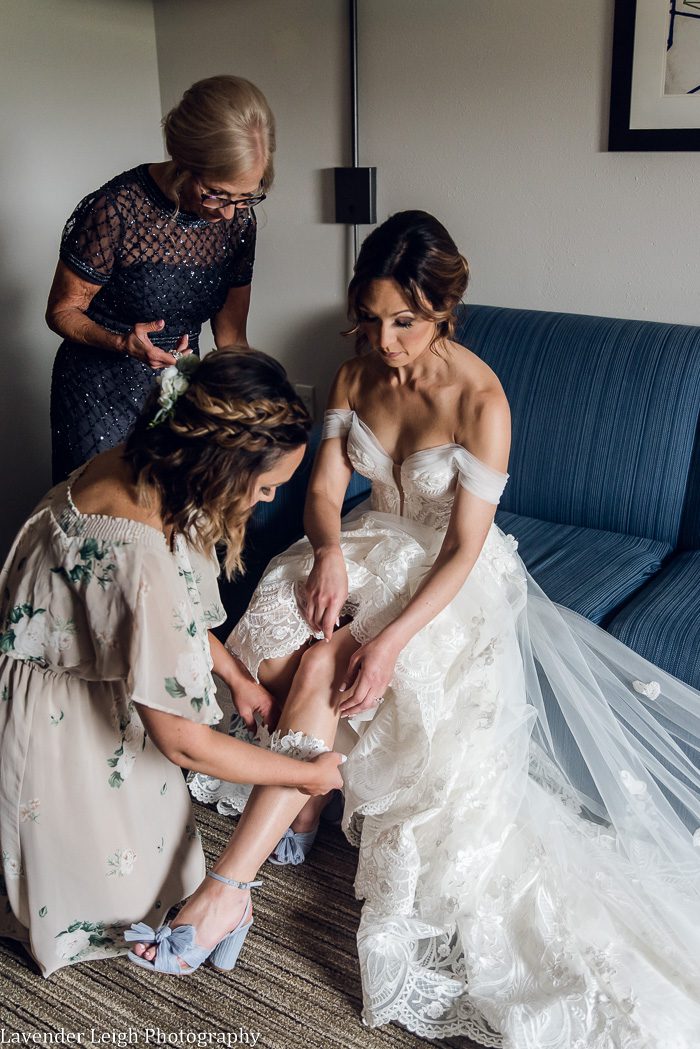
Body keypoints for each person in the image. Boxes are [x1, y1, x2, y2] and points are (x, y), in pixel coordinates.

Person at [133, 215, 700, 1049]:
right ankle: (300, 805)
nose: (384, 340)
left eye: (405, 321)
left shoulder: (481, 399)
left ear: (444, 311)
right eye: (370, 318)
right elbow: (325, 491)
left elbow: (467, 546)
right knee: (290, 641)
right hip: (362, 543)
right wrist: (324, 551)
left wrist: (390, 638)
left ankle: (229, 887)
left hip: (445, 578)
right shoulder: (353, 373)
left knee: (334, 657)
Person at [0, 348, 345, 978]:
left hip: (65, 677)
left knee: (165, 864)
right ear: (224, 465)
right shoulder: (142, 552)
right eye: (265, 487)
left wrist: (238, 677)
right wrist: (304, 777)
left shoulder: (139, 465)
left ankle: (216, 895)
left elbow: (158, 612)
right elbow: (184, 743)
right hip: (56, 723)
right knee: (119, 904)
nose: (265, 502)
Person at [47, 74, 273, 484]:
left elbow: (231, 335)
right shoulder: (116, 209)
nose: (228, 212)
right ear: (183, 160)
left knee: (174, 514)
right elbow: (62, 310)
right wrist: (120, 342)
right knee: (105, 527)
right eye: (217, 194)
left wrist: (254, 404)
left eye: (245, 197)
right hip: (98, 392)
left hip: (178, 387)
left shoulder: (238, 221)